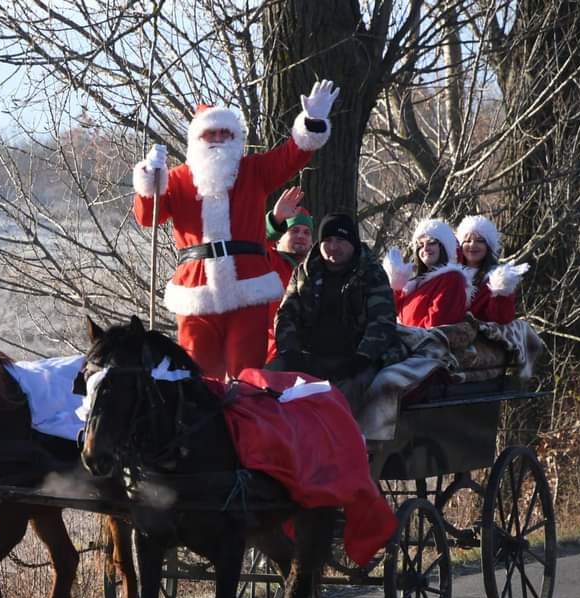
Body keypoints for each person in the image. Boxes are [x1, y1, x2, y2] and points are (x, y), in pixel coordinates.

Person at [131, 80, 340, 380]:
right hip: (196, 291)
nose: (217, 139)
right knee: (198, 379)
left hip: (248, 288)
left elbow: (292, 154)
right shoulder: (176, 179)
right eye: (210, 133)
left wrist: (313, 122)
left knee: (248, 377)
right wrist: (150, 181)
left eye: (224, 133)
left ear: (234, 137)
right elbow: (147, 217)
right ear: (197, 139)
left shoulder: (254, 171)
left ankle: (249, 426)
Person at [270, 213, 403, 414]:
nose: (333, 246)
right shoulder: (304, 272)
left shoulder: (371, 273)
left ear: (352, 243)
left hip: (356, 358)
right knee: (267, 381)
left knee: (343, 397)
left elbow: (382, 321)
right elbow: (286, 314)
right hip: (311, 356)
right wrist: (290, 352)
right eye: (328, 240)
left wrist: (361, 358)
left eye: (340, 240)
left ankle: (349, 441)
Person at [383, 218, 469, 329]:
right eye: (420, 244)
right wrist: (396, 285)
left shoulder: (452, 278)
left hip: (426, 344)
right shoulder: (416, 284)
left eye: (431, 242)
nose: (425, 248)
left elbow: (437, 324)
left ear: (444, 246)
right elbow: (391, 313)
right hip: (408, 342)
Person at [456, 215, 529, 324]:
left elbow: (502, 319)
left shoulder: (497, 278)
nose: (473, 245)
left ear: (488, 247)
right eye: (467, 240)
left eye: (480, 241)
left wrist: (500, 292)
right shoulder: (451, 274)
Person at [266, 186, 314, 270]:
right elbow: (252, 247)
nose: (301, 236)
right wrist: (275, 221)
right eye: (294, 231)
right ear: (278, 239)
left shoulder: (316, 272)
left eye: (306, 232)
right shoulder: (266, 261)